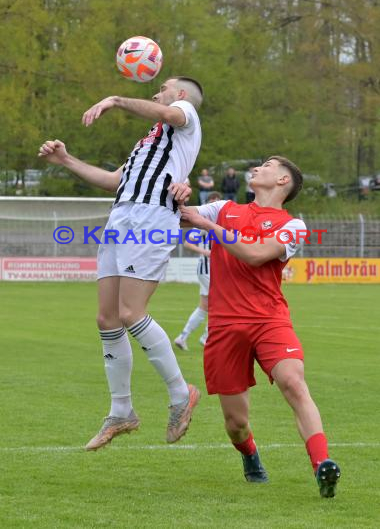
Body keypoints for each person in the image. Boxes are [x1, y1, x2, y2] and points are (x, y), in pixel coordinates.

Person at [38, 76, 203, 450]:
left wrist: (114, 98)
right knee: (107, 318)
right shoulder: (149, 141)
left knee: (131, 312)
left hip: (150, 218)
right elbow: (115, 180)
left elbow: (166, 112)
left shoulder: (185, 114)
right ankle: (122, 411)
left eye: (163, 87)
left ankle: (181, 395)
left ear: (179, 96)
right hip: (122, 217)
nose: (156, 91)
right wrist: (64, 160)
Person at [180, 156, 341, 498]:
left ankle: (322, 465)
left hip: (270, 320)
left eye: (266, 165)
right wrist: (176, 193)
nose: (256, 168)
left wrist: (206, 226)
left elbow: (255, 254)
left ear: (283, 181)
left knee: (294, 383)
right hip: (224, 327)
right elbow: (179, 215)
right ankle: (250, 454)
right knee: (236, 424)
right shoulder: (223, 208)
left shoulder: (293, 226)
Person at [174, 191, 222, 351]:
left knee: (205, 306)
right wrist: (206, 252)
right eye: (212, 201)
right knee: (218, 303)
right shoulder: (204, 223)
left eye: (217, 201)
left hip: (216, 270)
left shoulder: (220, 223)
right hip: (207, 268)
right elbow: (188, 243)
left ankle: (184, 337)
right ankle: (205, 337)